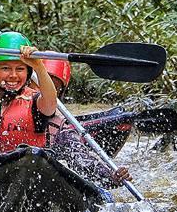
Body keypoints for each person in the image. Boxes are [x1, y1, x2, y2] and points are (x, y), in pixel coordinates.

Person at [35, 59, 132, 187]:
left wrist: (112, 177)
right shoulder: (4, 105)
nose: (45, 93)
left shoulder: (60, 127)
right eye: (40, 84)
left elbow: (81, 159)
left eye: (53, 89)